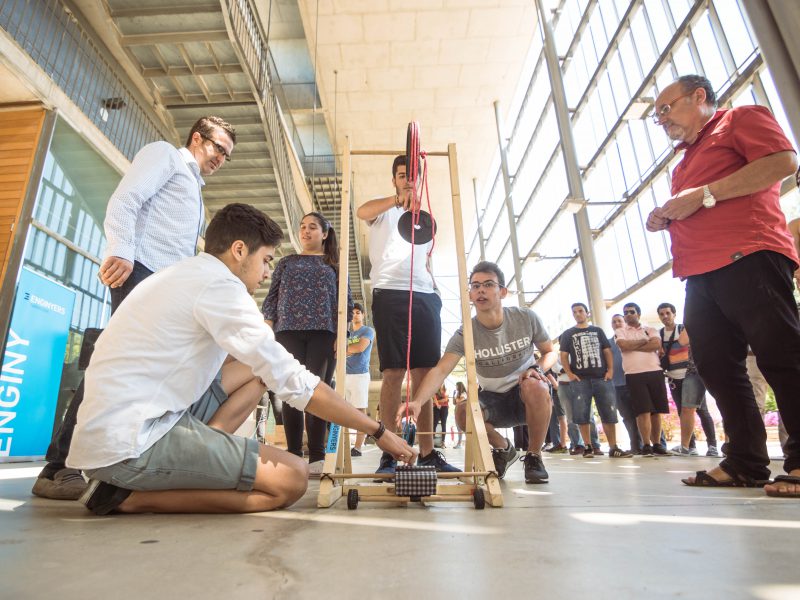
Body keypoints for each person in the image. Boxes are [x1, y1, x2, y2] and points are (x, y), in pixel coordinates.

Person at [67, 203, 415, 515]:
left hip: (123, 425)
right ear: (238, 250)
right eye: (265, 260)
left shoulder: (184, 274)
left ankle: (207, 447)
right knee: (292, 479)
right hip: (129, 446)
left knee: (255, 371)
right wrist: (377, 430)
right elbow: (295, 382)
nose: (266, 273)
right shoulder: (221, 289)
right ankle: (126, 498)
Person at [32, 116, 237, 501]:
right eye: (218, 148)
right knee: (116, 369)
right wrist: (122, 250)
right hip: (140, 272)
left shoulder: (194, 186)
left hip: (162, 285)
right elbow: (126, 199)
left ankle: (111, 460)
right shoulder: (166, 156)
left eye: (227, 155)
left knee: (135, 373)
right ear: (197, 138)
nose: (221, 158)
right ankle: (58, 467)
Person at [645, 74, 800, 496]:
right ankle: (745, 461)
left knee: (781, 355)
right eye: (657, 115)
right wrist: (668, 215)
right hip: (699, 273)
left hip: (749, 254)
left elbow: (783, 162)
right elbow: (697, 203)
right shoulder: (684, 160)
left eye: (666, 108)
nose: (662, 120)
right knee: (716, 365)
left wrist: (703, 194)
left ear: (699, 96)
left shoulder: (740, 119)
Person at [402, 262, 556, 484]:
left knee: (535, 384)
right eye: (475, 286)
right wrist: (417, 401)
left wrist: (536, 368)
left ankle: (534, 456)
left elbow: (550, 352)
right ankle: (504, 448)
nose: (481, 290)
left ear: (502, 291)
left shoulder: (525, 318)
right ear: (470, 295)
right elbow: (441, 369)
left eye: (488, 284)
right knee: (463, 412)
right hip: (493, 400)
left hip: (528, 396)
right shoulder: (465, 333)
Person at [355, 155, 458, 475]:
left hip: (425, 296)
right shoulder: (384, 211)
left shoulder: (424, 218)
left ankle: (427, 452)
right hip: (390, 293)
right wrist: (396, 200)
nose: (408, 180)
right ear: (395, 180)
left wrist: (435, 291)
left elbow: (424, 259)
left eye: (412, 176)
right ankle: (389, 454)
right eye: (402, 175)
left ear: (420, 179)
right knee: (393, 372)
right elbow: (361, 212)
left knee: (425, 376)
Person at [262, 212, 353, 477]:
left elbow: (345, 301)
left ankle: (317, 455)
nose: (306, 231)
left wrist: (343, 334)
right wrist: (267, 327)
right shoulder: (286, 262)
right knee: (290, 391)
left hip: (324, 333)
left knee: (316, 392)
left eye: (312, 227)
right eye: (302, 226)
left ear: (324, 234)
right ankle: (293, 454)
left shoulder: (334, 264)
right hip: (287, 331)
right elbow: (272, 297)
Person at [559, 303, 632, 458]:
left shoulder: (597, 331)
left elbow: (607, 351)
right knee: (582, 414)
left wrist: (610, 370)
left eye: (580, 311)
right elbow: (563, 355)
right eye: (574, 312)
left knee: (608, 412)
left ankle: (613, 447)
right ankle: (588, 447)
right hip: (580, 380)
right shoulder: (568, 334)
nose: (577, 314)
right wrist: (570, 373)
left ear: (587, 313)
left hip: (601, 378)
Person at [656, 302, 718, 457]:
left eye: (668, 313)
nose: (665, 316)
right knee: (682, 411)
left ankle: (712, 446)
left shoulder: (683, 329)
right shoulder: (660, 334)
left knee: (702, 410)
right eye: (662, 314)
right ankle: (691, 446)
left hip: (691, 373)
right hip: (673, 377)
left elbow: (687, 343)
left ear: (674, 314)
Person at [614, 302, 670, 457]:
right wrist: (644, 341)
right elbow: (623, 346)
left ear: (638, 314)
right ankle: (646, 445)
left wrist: (633, 345)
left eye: (631, 312)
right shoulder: (620, 331)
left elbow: (656, 344)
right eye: (625, 312)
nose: (628, 314)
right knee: (642, 411)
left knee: (656, 411)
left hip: (655, 372)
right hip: (634, 375)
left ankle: (657, 444)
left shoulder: (650, 329)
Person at [609, 313, 642, 454]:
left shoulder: (632, 338)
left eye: (619, 321)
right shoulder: (608, 343)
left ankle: (656, 444)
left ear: (625, 323)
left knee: (644, 414)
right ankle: (635, 447)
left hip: (635, 382)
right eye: (614, 321)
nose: (617, 323)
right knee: (627, 417)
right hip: (617, 386)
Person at [345, 302, 375, 457]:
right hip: (344, 375)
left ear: (363, 315)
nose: (355, 315)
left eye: (358, 312)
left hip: (360, 375)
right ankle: (342, 446)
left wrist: (345, 350)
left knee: (360, 411)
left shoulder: (367, 330)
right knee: (341, 410)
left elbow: (360, 348)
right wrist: (348, 351)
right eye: (353, 312)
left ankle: (358, 447)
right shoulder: (347, 333)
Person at [452, 381, 467, 449]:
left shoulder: (464, 394)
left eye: (457, 386)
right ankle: (459, 443)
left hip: (462, 412)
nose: (456, 387)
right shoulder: (457, 393)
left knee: (464, 428)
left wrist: (456, 397)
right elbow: (454, 403)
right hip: (457, 410)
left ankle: (467, 443)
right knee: (458, 428)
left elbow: (458, 401)